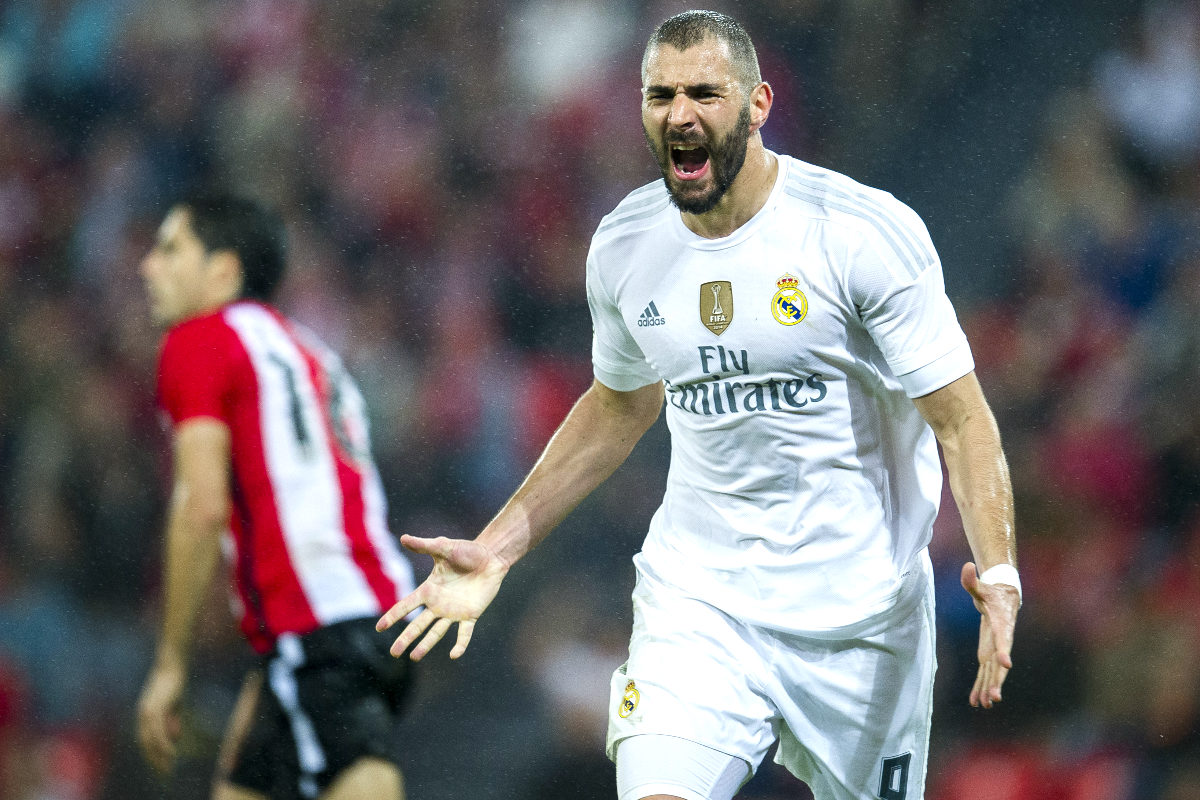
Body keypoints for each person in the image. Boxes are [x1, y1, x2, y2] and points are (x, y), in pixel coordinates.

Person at [377, 10, 1021, 800]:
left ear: (758, 104)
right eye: (660, 95)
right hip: (702, 603)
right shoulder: (623, 246)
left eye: (705, 93)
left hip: (861, 620)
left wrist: (999, 570)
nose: (680, 114)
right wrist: (500, 545)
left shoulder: (858, 234)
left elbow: (961, 416)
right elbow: (618, 405)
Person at [136, 193, 417, 800]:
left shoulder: (199, 340)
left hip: (316, 627)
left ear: (223, 271)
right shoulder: (309, 350)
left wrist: (169, 665)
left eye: (169, 249)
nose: (147, 267)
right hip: (377, 613)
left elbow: (201, 507)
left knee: (360, 775)